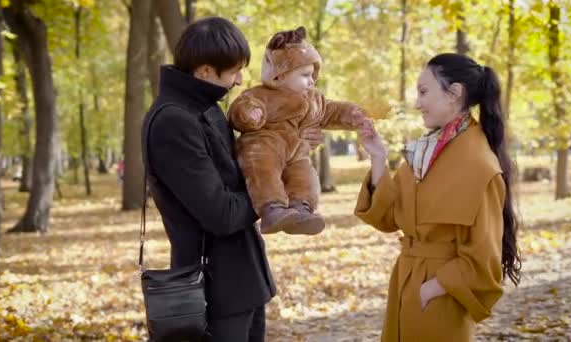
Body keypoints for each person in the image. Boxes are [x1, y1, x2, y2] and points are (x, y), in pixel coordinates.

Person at [141, 17, 323, 341]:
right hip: (212, 290)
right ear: (206, 70)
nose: (240, 81)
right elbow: (220, 214)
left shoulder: (206, 108)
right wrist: (272, 186)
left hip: (243, 281)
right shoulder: (173, 121)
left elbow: (244, 168)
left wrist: (290, 148)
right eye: (235, 71)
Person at [355, 53, 522, 341]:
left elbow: (485, 258)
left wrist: (431, 289)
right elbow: (387, 217)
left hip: (440, 297)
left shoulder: (481, 166)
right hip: (404, 284)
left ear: (454, 93)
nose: (417, 103)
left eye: (423, 91)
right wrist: (378, 159)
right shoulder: (425, 152)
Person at [228, 26, 370, 236]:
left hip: (296, 150)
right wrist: (251, 115)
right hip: (265, 142)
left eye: (313, 75)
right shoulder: (262, 94)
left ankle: (301, 208)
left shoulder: (313, 99)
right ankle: (272, 208)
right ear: (279, 76)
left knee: (305, 176)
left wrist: (353, 115)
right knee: (264, 168)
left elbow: (331, 111)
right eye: (305, 75)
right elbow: (241, 107)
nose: (312, 81)